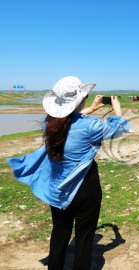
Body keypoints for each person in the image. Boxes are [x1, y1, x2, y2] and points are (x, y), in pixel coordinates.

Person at [6, 76, 131, 270]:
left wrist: (89, 109)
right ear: (79, 101)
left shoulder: (49, 125)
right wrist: (117, 110)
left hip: (58, 189)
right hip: (85, 190)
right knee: (84, 238)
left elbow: (68, 121)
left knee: (60, 234)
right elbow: (119, 129)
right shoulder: (91, 126)